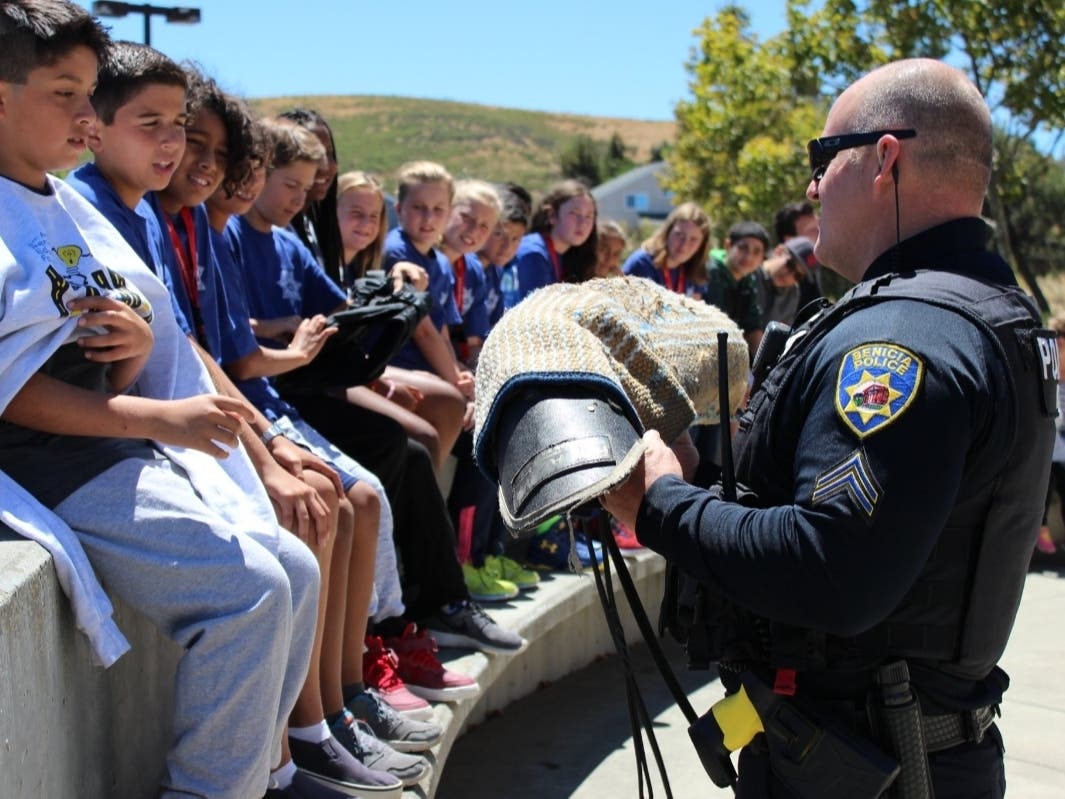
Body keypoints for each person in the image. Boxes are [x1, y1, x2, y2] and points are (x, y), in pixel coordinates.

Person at [602, 58, 1056, 798]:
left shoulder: (903, 338)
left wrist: (658, 503)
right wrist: (697, 481)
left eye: (822, 158)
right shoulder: (985, 309)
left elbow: (831, 571)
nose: (811, 188)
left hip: (871, 769)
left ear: (884, 158)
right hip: (900, 753)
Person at [0, 5, 320, 797]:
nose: (86, 114)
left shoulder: (61, 205)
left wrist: (136, 350)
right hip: (51, 465)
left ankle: (262, 773)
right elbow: (9, 394)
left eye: (90, 93)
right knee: (249, 592)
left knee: (295, 566)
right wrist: (158, 417)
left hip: (109, 443)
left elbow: (112, 348)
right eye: (65, 93)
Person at [510, 179, 597, 305]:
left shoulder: (560, 255)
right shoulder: (534, 254)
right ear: (552, 215)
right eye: (574, 213)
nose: (582, 223)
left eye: (589, 216)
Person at [622, 202, 711, 299]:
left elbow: (695, 306)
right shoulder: (641, 264)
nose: (684, 245)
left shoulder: (696, 268)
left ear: (702, 244)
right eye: (679, 235)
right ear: (668, 232)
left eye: (693, 239)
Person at [706, 219, 767, 352]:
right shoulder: (712, 271)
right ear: (728, 245)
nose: (749, 257)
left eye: (756, 252)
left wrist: (764, 362)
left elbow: (752, 326)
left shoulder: (748, 279)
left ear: (762, 258)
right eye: (743, 248)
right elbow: (713, 325)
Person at [752, 235, 816, 327]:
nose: (789, 276)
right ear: (779, 251)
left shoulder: (792, 292)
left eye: (798, 276)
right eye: (790, 265)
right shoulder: (749, 270)